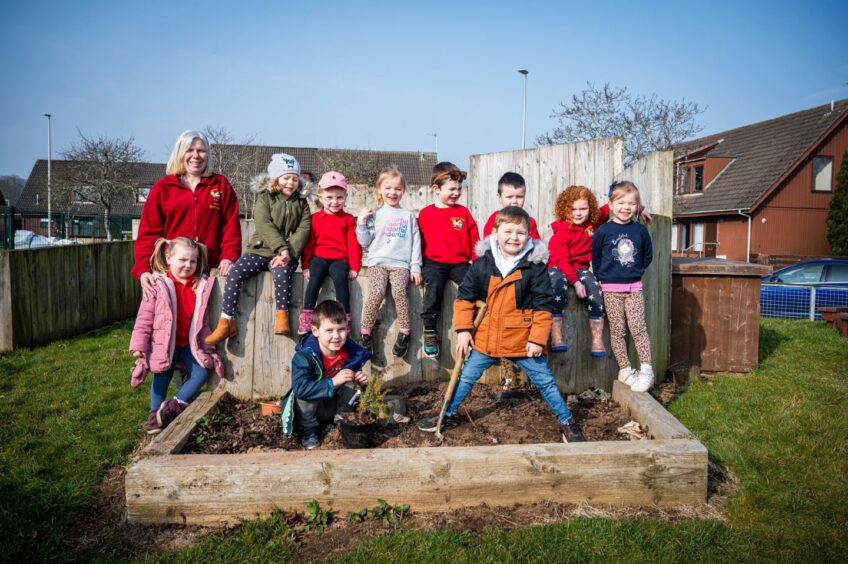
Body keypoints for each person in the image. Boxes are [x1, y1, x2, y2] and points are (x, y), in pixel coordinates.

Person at [416, 206, 585, 442]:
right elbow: (464, 297)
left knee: (545, 381)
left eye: (520, 232)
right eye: (508, 231)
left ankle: (567, 421)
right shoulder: (483, 264)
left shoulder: (534, 268)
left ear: (529, 235)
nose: (514, 237)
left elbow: (543, 307)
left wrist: (537, 339)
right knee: (465, 377)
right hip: (487, 337)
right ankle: (447, 413)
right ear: (495, 232)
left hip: (523, 341)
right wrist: (464, 330)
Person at [206, 154, 311, 343]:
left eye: (295, 178)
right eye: (286, 177)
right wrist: (281, 248)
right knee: (236, 272)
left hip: (286, 256)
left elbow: (304, 229)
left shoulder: (302, 203)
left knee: (282, 274)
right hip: (260, 249)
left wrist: (288, 253)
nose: (290, 183)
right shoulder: (265, 199)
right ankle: (226, 321)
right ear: (275, 179)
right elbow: (264, 224)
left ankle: (282, 315)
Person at [129, 237, 224, 434]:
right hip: (164, 344)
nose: (188, 265)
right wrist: (139, 345)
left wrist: (206, 345)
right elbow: (144, 319)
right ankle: (154, 415)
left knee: (202, 371)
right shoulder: (157, 285)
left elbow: (203, 320)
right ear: (169, 257)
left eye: (193, 261)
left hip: (189, 345)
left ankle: (175, 404)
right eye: (183, 260)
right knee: (162, 371)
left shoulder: (201, 286)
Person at [132, 130, 241, 299]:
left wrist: (229, 257)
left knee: (206, 323)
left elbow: (231, 227)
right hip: (170, 273)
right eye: (190, 150)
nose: (196, 155)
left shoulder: (220, 185)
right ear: (180, 153)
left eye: (201, 150)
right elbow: (148, 233)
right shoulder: (163, 188)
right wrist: (143, 269)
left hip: (209, 273)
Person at [281, 300, 371, 449]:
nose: (336, 336)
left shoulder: (349, 354)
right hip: (311, 411)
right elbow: (300, 389)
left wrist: (360, 383)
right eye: (329, 330)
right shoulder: (304, 356)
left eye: (341, 329)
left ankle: (342, 419)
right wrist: (333, 382)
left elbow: (351, 387)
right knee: (302, 393)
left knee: (350, 379)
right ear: (315, 331)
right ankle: (308, 430)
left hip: (334, 405)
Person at [592, 181, 654, 392]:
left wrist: (634, 273)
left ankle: (646, 370)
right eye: (621, 202)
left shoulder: (640, 230)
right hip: (610, 289)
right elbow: (596, 258)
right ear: (611, 204)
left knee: (638, 328)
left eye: (631, 203)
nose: (626, 207)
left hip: (633, 288)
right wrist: (602, 278)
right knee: (618, 331)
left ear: (637, 206)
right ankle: (625, 369)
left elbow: (647, 256)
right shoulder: (604, 231)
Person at [356, 166, 422, 359]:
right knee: (376, 292)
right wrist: (361, 223)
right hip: (377, 262)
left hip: (401, 263)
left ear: (403, 191)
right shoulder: (374, 214)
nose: (393, 192)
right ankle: (365, 334)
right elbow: (364, 241)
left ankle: (405, 332)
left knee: (399, 292)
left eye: (397, 189)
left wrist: (415, 266)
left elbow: (416, 242)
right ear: (379, 190)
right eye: (388, 188)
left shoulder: (408, 216)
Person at [417, 162, 480, 358]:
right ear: (436, 189)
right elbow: (417, 242)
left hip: (459, 263)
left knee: (474, 285)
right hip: (433, 262)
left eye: (459, 189)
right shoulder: (426, 214)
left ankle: (473, 326)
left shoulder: (463, 213)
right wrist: (416, 267)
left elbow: (475, 241)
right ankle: (430, 330)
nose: (456, 193)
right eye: (451, 189)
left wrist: (477, 262)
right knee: (434, 287)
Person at [547, 186, 609, 354]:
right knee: (558, 287)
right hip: (558, 267)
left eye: (583, 208)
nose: (578, 213)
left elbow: (609, 207)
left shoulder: (591, 225)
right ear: (564, 209)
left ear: (590, 208)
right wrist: (575, 282)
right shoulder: (561, 232)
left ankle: (596, 338)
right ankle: (556, 334)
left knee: (594, 288)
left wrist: (640, 208)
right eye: (573, 209)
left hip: (580, 268)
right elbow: (563, 261)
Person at [298, 171, 362, 333]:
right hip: (318, 258)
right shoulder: (314, 219)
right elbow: (308, 245)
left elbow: (353, 244)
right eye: (330, 198)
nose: (335, 202)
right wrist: (305, 265)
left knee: (341, 280)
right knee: (314, 280)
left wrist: (354, 266)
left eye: (339, 197)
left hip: (339, 260)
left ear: (345, 198)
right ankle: (307, 316)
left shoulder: (348, 220)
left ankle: (344, 318)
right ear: (320, 197)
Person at [481, 172, 542, 240]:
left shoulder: (530, 222)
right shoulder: (494, 219)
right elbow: (487, 244)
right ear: (499, 197)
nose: (514, 201)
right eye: (509, 197)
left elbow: (536, 247)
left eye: (519, 197)